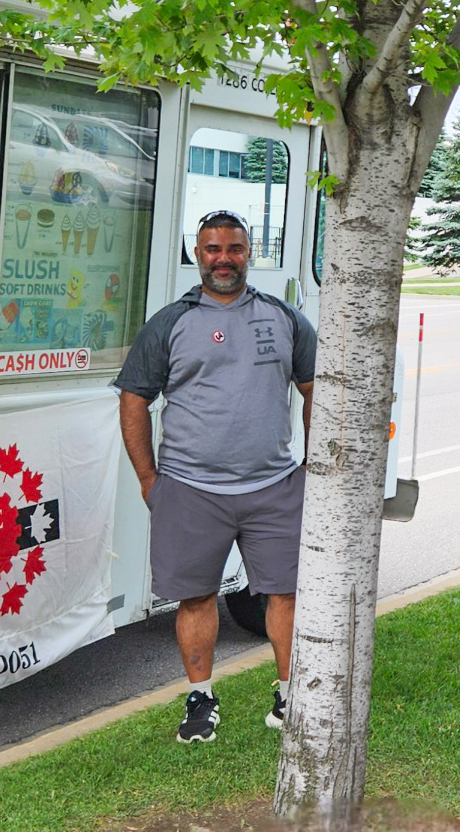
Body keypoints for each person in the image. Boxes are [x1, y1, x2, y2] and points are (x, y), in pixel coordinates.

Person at [113, 209, 316, 743]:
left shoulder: (283, 317)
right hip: (189, 488)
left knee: (286, 593)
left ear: (250, 253)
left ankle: (289, 692)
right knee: (196, 598)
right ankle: (201, 699)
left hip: (274, 485)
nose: (223, 259)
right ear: (196, 254)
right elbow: (134, 398)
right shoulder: (171, 322)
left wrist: (314, 465)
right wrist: (148, 479)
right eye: (212, 249)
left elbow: (315, 386)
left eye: (234, 249)